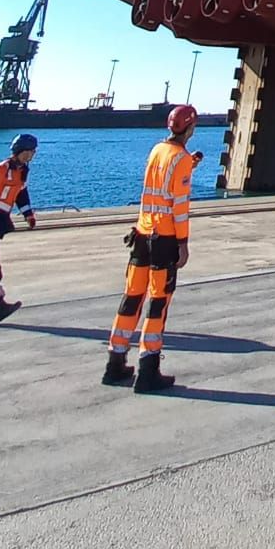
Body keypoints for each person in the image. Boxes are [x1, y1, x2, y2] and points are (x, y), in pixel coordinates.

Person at [102, 103, 202, 393]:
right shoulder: (180, 158)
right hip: (165, 239)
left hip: (142, 233)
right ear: (191, 128)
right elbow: (179, 206)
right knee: (158, 303)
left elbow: (159, 184)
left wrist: (188, 163)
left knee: (131, 297)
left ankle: (115, 363)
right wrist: (183, 243)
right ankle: (148, 370)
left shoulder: (158, 150)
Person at [0, 133, 39, 322]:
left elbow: (21, 194)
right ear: (19, 151)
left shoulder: (22, 171)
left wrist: (28, 215)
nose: (32, 155)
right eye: (29, 151)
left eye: (33, 152)